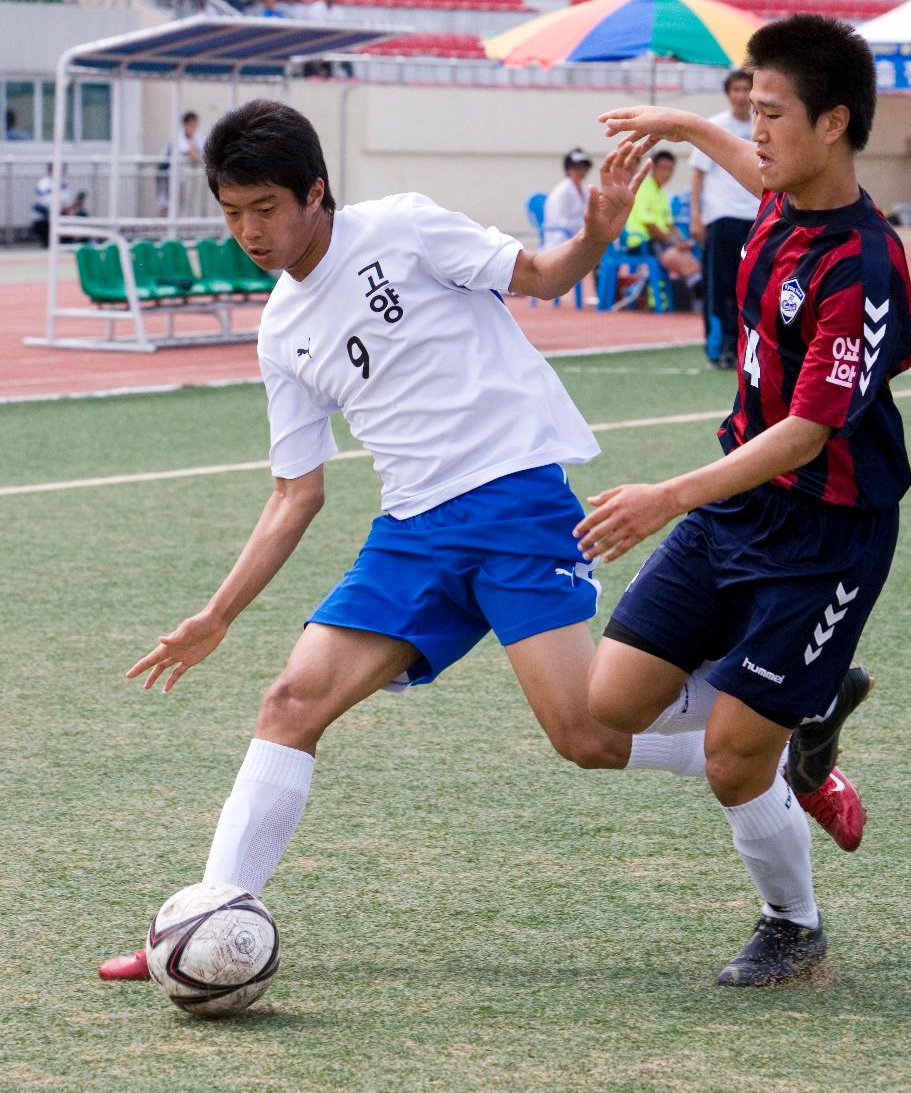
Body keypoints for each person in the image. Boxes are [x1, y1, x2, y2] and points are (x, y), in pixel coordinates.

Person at [96, 100, 863, 983]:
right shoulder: (280, 330)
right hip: (412, 531)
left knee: (583, 733)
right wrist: (217, 614)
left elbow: (541, 272)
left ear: (315, 192)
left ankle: (774, 718)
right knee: (290, 702)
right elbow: (295, 493)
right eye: (231, 213)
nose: (248, 231)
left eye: (264, 208)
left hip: (513, 497)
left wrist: (599, 237)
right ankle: (205, 920)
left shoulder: (405, 226)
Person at [579, 13, 911, 987]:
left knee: (732, 759)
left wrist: (665, 495)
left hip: (826, 534)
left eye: (771, 112)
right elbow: (741, 157)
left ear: (833, 124)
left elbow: (810, 431)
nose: (754, 129)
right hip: (739, 509)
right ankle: (794, 715)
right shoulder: (778, 193)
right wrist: (682, 124)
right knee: (609, 708)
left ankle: (792, 924)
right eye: (749, 109)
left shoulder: (860, 261)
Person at [690, 68, 760, 369]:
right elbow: (698, 174)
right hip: (722, 218)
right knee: (719, 287)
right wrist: (696, 215)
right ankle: (718, 348)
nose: (742, 95)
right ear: (728, 94)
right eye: (736, 90)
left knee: (755, 288)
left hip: (756, 218)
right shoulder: (715, 128)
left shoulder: (763, 128)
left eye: (747, 89)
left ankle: (746, 348)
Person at [624, 148, 702, 307]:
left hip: (657, 241)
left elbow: (669, 225)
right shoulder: (643, 189)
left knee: (689, 251)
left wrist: (681, 241)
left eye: (670, 169)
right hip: (640, 242)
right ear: (653, 168)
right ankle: (700, 294)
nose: (667, 173)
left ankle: (699, 289)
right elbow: (650, 225)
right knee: (677, 255)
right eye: (663, 168)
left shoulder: (661, 193)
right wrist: (674, 243)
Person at [156, 109, 204, 214]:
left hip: (179, 175)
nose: (194, 128)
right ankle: (163, 226)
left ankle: (174, 225)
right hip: (166, 172)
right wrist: (205, 162)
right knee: (166, 202)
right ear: (186, 124)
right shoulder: (178, 136)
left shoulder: (196, 135)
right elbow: (191, 152)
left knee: (179, 200)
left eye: (196, 125)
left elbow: (203, 149)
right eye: (192, 125)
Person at [543, 148, 592, 249]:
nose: (581, 171)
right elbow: (559, 223)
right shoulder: (562, 192)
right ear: (568, 170)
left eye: (584, 168)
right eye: (576, 168)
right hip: (561, 243)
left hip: (579, 240)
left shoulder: (584, 190)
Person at [31, 165, 86, 244]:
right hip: (44, 219)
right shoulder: (44, 184)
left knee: (82, 214)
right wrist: (68, 209)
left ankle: (85, 242)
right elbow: (51, 207)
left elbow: (66, 205)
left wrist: (75, 205)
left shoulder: (63, 183)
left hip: (61, 215)